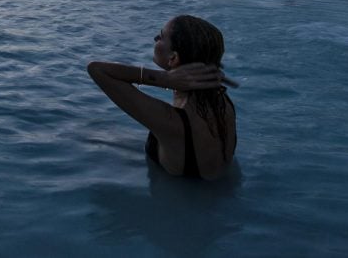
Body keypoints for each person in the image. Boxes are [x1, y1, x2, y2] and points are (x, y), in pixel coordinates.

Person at [87, 15, 236, 180]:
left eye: (162, 37)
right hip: (221, 186)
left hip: (176, 194)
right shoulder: (223, 101)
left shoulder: (172, 121)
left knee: (94, 138)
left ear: (173, 58)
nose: (155, 38)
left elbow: (96, 70)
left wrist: (165, 79)